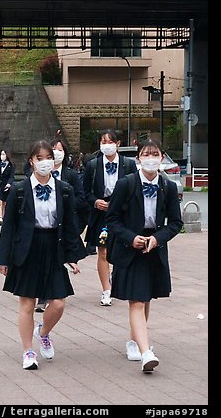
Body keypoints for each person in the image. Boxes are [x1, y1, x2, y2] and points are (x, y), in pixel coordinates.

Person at [0, 140, 82, 370]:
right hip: (27, 248)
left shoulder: (64, 190)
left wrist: (72, 256)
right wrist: (3, 259)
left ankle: (43, 332)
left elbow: (71, 224)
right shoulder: (20, 189)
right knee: (27, 303)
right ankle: (28, 351)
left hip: (54, 246)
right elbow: (9, 226)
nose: (45, 163)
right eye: (39, 158)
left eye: (48, 158)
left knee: (59, 303)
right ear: (32, 161)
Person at [106, 139, 183, 372]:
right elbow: (112, 219)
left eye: (155, 154)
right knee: (137, 300)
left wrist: (158, 238)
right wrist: (131, 237)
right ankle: (145, 352)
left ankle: (134, 340)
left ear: (162, 158)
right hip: (131, 248)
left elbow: (176, 222)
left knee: (146, 297)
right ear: (138, 158)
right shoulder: (126, 184)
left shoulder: (168, 187)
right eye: (146, 154)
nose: (150, 158)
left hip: (154, 247)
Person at [83, 129, 137, 306]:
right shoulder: (93, 165)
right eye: (103, 142)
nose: (106, 145)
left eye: (109, 142)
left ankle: (117, 280)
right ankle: (106, 290)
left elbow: (134, 189)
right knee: (103, 250)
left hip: (122, 212)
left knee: (121, 248)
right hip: (101, 213)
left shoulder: (128, 165)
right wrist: (96, 201)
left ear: (118, 144)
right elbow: (85, 192)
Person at [35, 137, 88, 313]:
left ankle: (55, 292)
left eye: (60, 150)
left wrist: (65, 202)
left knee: (56, 261)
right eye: (53, 150)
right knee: (43, 262)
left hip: (63, 225)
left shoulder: (71, 175)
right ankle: (42, 296)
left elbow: (81, 198)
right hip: (41, 228)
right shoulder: (35, 176)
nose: (56, 153)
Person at [0, 149, 16, 226]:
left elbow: (12, 176)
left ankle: (4, 216)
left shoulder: (11, 165)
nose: (2, 156)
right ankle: (0, 217)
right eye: (1, 154)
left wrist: (9, 183)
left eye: (4, 154)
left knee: (5, 203)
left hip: (6, 186)